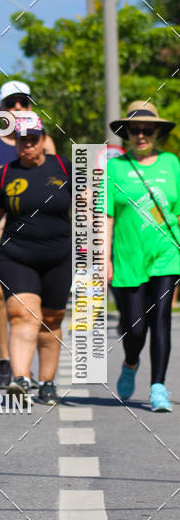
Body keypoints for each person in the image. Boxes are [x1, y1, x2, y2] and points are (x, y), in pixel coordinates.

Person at [0, 112, 72, 404]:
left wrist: (96, 250)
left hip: (59, 257)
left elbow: (86, 209)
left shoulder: (65, 168)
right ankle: (20, 379)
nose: (27, 145)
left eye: (33, 140)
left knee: (52, 320)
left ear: (44, 140)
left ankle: (47, 382)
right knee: (22, 315)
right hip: (17, 256)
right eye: (21, 140)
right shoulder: (6, 173)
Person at [0, 80, 55, 389]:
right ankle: (6, 359)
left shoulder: (44, 142)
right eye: (11, 104)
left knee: (37, 303)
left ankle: (26, 365)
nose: (17, 109)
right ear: (1, 110)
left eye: (23, 103)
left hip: (34, 227)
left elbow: (58, 183)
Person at [107, 101, 180, 412]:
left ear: (157, 132)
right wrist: (103, 258)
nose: (140, 135)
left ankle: (158, 388)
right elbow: (106, 215)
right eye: (134, 130)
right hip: (127, 257)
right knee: (135, 327)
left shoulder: (171, 164)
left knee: (161, 318)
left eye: (147, 130)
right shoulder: (115, 168)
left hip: (166, 254)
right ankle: (130, 362)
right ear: (126, 133)